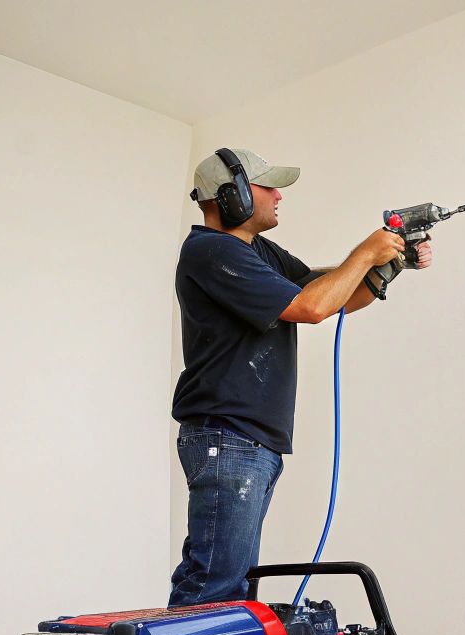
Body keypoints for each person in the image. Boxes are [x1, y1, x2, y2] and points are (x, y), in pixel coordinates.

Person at [168, 148, 422, 607]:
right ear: (234, 196)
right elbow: (312, 307)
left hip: (250, 440)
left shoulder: (257, 251)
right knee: (214, 586)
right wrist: (366, 252)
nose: (279, 195)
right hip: (226, 435)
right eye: (268, 186)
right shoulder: (210, 251)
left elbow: (333, 293)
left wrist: (388, 264)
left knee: (234, 592)